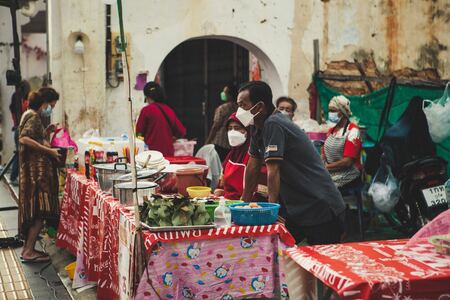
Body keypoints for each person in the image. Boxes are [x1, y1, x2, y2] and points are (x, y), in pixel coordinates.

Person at [238, 81, 346, 245]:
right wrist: (242, 206)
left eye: (243, 105)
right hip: (297, 207)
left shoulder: (274, 124)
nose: (239, 111)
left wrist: (271, 211)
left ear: (259, 107)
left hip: (320, 204)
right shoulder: (257, 126)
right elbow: (252, 165)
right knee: (277, 250)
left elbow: (273, 171)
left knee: (321, 262)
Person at [18, 91, 61, 263]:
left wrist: (46, 133)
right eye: (51, 105)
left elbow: (34, 137)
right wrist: (49, 150)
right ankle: (28, 251)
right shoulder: (34, 117)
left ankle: (27, 248)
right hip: (35, 174)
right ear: (43, 103)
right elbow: (24, 139)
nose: (50, 109)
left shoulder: (29, 114)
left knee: (37, 211)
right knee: (39, 212)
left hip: (32, 173)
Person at [214, 113, 267, 200]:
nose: (232, 132)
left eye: (237, 128)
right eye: (229, 129)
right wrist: (219, 192)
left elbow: (262, 191)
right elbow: (222, 185)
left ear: (248, 131)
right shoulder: (231, 155)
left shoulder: (255, 156)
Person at [136, 82, 186, 156]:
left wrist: (141, 140)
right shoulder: (169, 110)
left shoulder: (146, 110)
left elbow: (139, 133)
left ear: (147, 97)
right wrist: (172, 138)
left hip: (151, 155)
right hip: (168, 155)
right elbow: (182, 132)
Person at [323, 96, 362, 190]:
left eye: (333, 110)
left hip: (349, 172)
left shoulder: (353, 131)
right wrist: (321, 161)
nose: (330, 113)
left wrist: (326, 167)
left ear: (342, 112)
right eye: (329, 111)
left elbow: (348, 162)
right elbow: (324, 151)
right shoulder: (331, 131)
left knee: (323, 186)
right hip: (331, 170)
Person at [205, 83, 238, 161]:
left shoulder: (222, 108)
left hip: (221, 142)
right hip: (234, 142)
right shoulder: (239, 107)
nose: (223, 94)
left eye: (225, 92)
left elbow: (215, 126)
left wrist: (208, 141)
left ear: (230, 95)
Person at [9, 80, 31, 185]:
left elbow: (13, 112)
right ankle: (14, 177)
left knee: (19, 153)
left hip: (18, 128)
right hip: (21, 129)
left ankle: (16, 177)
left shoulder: (16, 97)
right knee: (20, 154)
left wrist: (15, 124)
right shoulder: (24, 100)